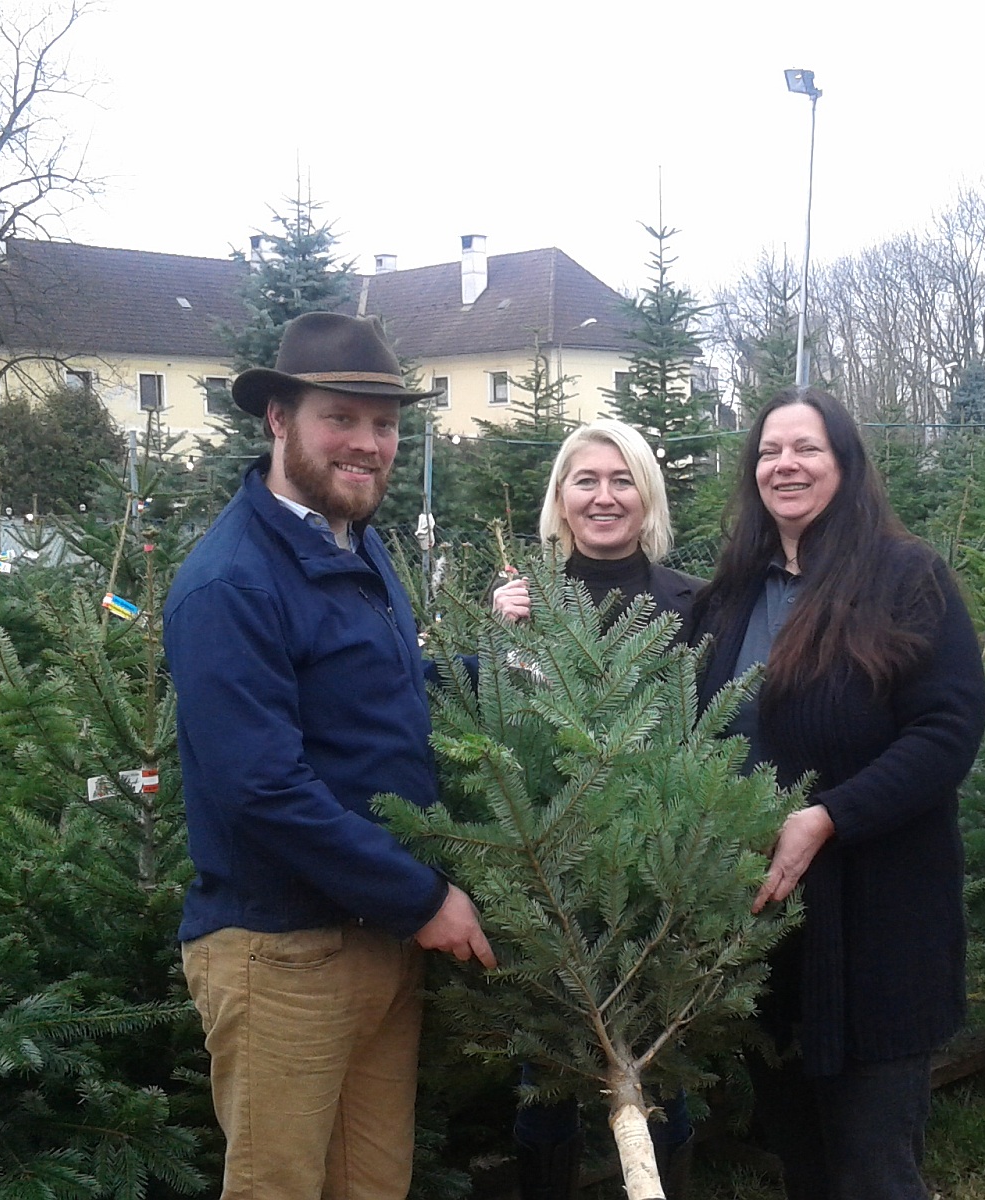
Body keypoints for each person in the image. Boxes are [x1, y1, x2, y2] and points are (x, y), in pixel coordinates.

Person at [165, 312, 497, 1200]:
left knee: (372, 1185)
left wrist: (494, 677)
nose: (368, 444)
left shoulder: (352, 539)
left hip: (378, 940)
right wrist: (423, 897)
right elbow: (261, 789)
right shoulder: (232, 582)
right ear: (279, 420)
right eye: (340, 420)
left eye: (384, 425)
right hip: (283, 954)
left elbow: (378, 686)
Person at [693, 388, 985, 1200]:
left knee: (872, 1168)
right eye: (768, 452)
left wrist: (829, 817)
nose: (785, 465)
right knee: (802, 1161)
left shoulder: (906, 577)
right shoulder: (731, 595)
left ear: (846, 465)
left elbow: (946, 732)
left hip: (876, 931)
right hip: (764, 930)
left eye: (807, 449)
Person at [490, 418, 700, 1199]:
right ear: (560, 498)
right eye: (587, 480)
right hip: (550, 885)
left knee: (664, 1081)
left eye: (623, 481)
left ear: (647, 497)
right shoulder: (526, 607)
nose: (604, 497)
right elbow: (496, 742)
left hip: (662, 885)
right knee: (542, 1082)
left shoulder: (692, 606)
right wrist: (494, 632)